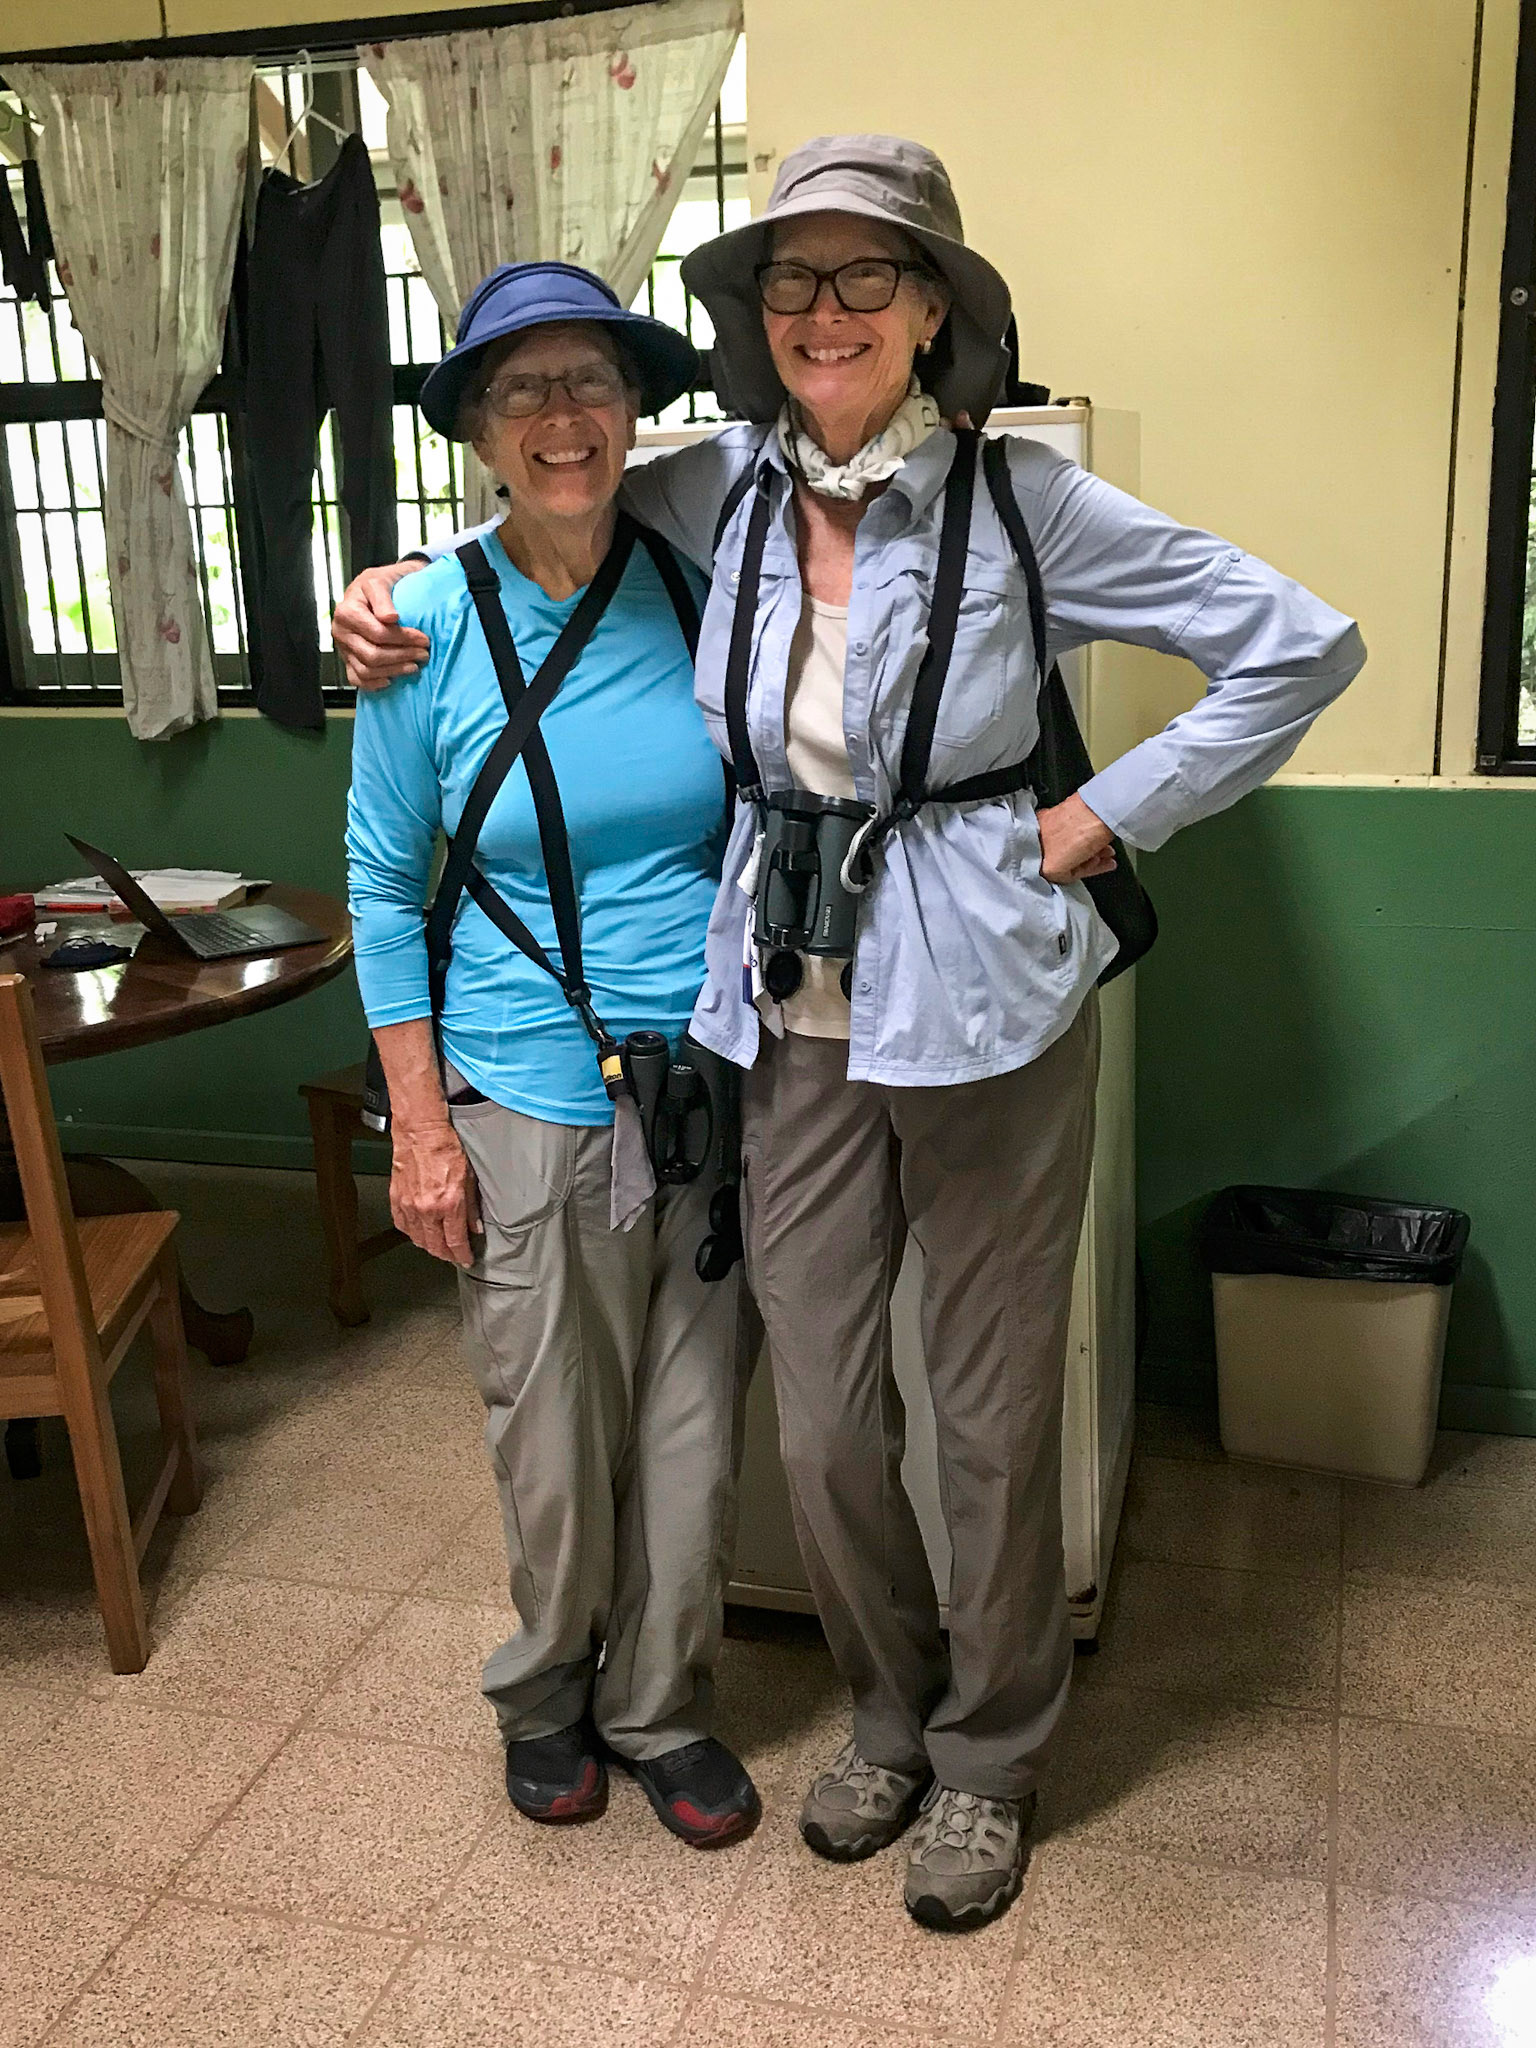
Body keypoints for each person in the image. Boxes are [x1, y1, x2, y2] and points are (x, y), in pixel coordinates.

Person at [334, 136, 1365, 1931]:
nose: (825, 312)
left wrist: (1098, 817)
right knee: (817, 1422)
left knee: (982, 1415)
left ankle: (991, 1755)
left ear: (933, 310)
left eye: (866, 278)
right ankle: (884, 1714)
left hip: (983, 1008)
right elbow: (537, 515)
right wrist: (386, 590)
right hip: (787, 1017)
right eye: (792, 282)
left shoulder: (1026, 502)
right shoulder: (711, 489)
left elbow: (1299, 648)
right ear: (752, 319)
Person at [345, 260, 759, 1850]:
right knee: (549, 1426)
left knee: (692, 1423)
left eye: (588, 382)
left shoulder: (694, 576)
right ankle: (547, 1697)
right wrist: (419, 1126)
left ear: (636, 410)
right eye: (522, 392)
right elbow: (386, 883)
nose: (562, 418)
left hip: (711, 1079)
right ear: (477, 429)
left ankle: (664, 1707)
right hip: (519, 1084)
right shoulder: (424, 619)